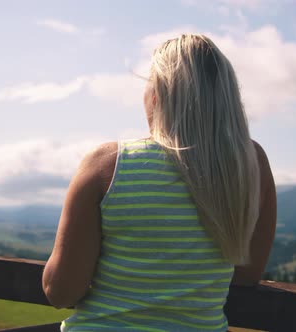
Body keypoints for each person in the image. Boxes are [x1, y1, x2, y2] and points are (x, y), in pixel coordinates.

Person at [42, 34, 277, 331]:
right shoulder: (252, 164)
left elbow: (60, 291)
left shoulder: (106, 165)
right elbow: (245, 275)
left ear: (157, 96)